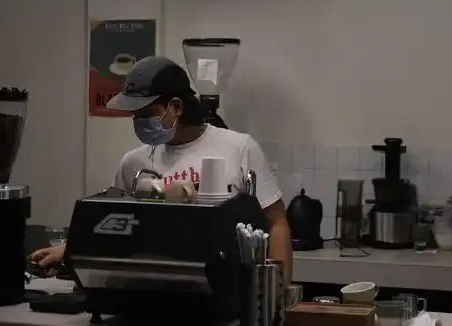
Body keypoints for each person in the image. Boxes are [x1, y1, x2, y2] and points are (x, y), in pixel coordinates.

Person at [31, 56, 293, 282]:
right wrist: (70, 249)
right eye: (135, 115)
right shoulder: (133, 164)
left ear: (176, 107)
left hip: (225, 285)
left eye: (146, 112)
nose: (138, 121)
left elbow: (277, 223)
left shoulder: (239, 149)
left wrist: (277, 293)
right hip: (153, 286)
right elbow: (111, 227)